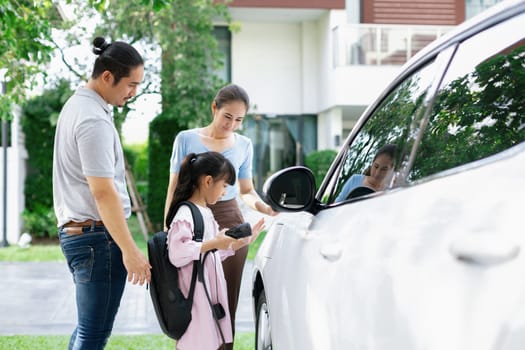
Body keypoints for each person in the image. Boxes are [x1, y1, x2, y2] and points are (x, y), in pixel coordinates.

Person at [52, 37, 151, 349]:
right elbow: (103, 192)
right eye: (130, 84)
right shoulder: (92, 118)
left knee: (87, 330)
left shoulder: (80, 106)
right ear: (107, 76)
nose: (133, 93)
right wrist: (130, 251)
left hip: (85, 236)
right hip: (97, 240)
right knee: (93, 335)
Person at [163, 83, 276, 348]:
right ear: (214, 108)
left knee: (226, 299)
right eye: (228, 116)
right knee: (192, 296)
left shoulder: (244, 144)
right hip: (193, 218)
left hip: (229, 218)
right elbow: (174, 186)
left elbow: (246, 191)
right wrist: (168, 226)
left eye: (239, 119)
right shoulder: (185, 139)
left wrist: (264, 208)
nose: (232, 124)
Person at [166, 151, 264, 350]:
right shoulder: (186, 214)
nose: (224, 193)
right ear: (208, 181)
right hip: (194, 299)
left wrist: (238, 243)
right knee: (196, 343)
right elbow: (177, 254)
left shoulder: (205, 212)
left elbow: (207, 255)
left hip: (206, 297)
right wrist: (213, 243)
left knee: (208, 342)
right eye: (224, 186)